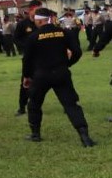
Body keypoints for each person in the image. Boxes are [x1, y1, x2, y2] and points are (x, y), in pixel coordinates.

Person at [22, 8, 96, 147]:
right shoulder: (63, 32)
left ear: (39, 20)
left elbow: (26, 60)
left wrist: (27, 76)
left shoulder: (33, 36)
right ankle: (85, 137)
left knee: (34, 104)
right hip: (61, 73)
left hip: (41, 75)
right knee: (71, 105)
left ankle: (35, 134)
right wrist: (67, 64)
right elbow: (77, 52)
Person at [13, 0, 42, 116]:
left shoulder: (42, 22)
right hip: (29, 59)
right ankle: (21, 107)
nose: (40, 12)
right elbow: (16, 38)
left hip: (43, 57)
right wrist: (26, 47)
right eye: (38, 10)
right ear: (31, 10)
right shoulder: (22, 24)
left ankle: (67, 104)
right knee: (26, 83)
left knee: (52, 80)